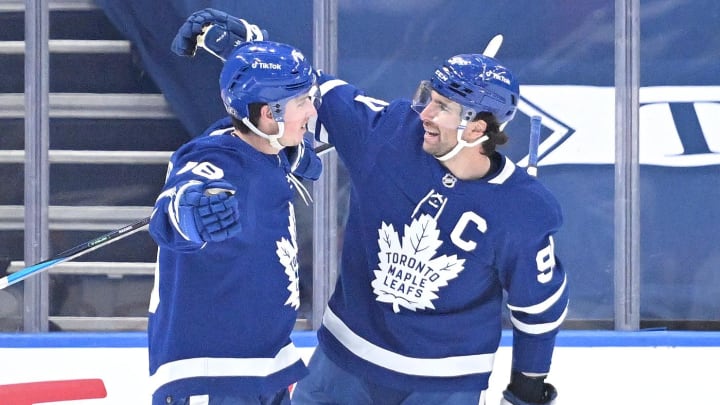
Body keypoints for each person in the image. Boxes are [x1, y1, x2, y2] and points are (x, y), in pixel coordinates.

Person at [173, 9, 568, 405]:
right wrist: (250, 48)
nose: (425, 114)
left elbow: (538, 308)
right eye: (430, 98)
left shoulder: (524, 209)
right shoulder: (390, 133)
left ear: (478, 128)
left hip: (445, 383)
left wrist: (527, 386)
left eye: (443, 107)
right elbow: (311, 94)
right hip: (344, 362)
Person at [146, 37, 323, 405]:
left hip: (264, 364)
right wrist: (186, 211)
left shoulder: (264, 149)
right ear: (267, 113)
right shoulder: (216, 159)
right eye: (302, 101)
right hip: (213, 373)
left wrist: (292, 152)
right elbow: (179, 196)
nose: (311, 111)